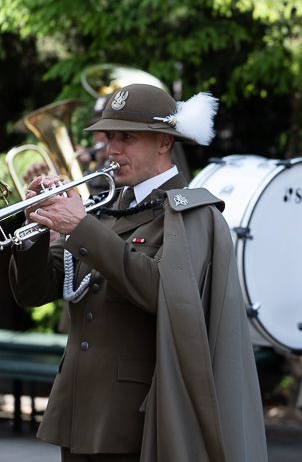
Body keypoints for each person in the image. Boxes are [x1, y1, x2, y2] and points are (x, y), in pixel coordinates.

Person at [9, 84, 267, 461]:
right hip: (79, 410)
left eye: (126, 137)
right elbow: (34, 292)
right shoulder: (106, 208)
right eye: (109, 136)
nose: (111, 149)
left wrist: (82, 228)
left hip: (137, 418)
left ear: (164, 142)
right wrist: (33, 234)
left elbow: (167, 294)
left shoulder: (192, 214)